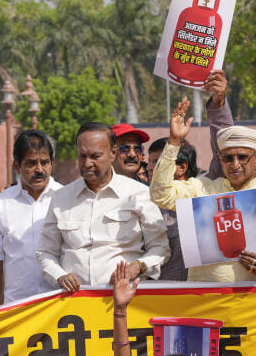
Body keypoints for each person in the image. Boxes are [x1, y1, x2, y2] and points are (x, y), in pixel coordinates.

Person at [149, 97, 256, 282]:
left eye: (242, 157)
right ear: (220, 159)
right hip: (206, 300)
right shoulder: (201, 188)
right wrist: (174, 142)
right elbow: (159, 194)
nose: (235, 165)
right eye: (228, 158)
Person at [37, 122, 168, 291]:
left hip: (125, 299)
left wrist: (137, 267)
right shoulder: (61, 198)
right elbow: (45, 252)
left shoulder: (138, 194)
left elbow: (160, 248)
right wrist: (59, 276)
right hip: (75, 303)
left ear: (112, 153)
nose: (87, 163)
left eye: (95, 156)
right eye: (82, 156)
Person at [0, 130, 63, 306]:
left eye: (45, 162)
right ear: (17, 166)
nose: (39, 169)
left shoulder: (67, 199)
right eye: (31, 163)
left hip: (60, 306)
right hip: (17, 310)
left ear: (52, 163)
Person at [146, 138, 197, 281]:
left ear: (182, 168)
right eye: (149, 162)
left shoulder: (200, 198)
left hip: (197, 292)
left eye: (157, 163)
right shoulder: (145, 201)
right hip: (157, 293)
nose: (150, 167)